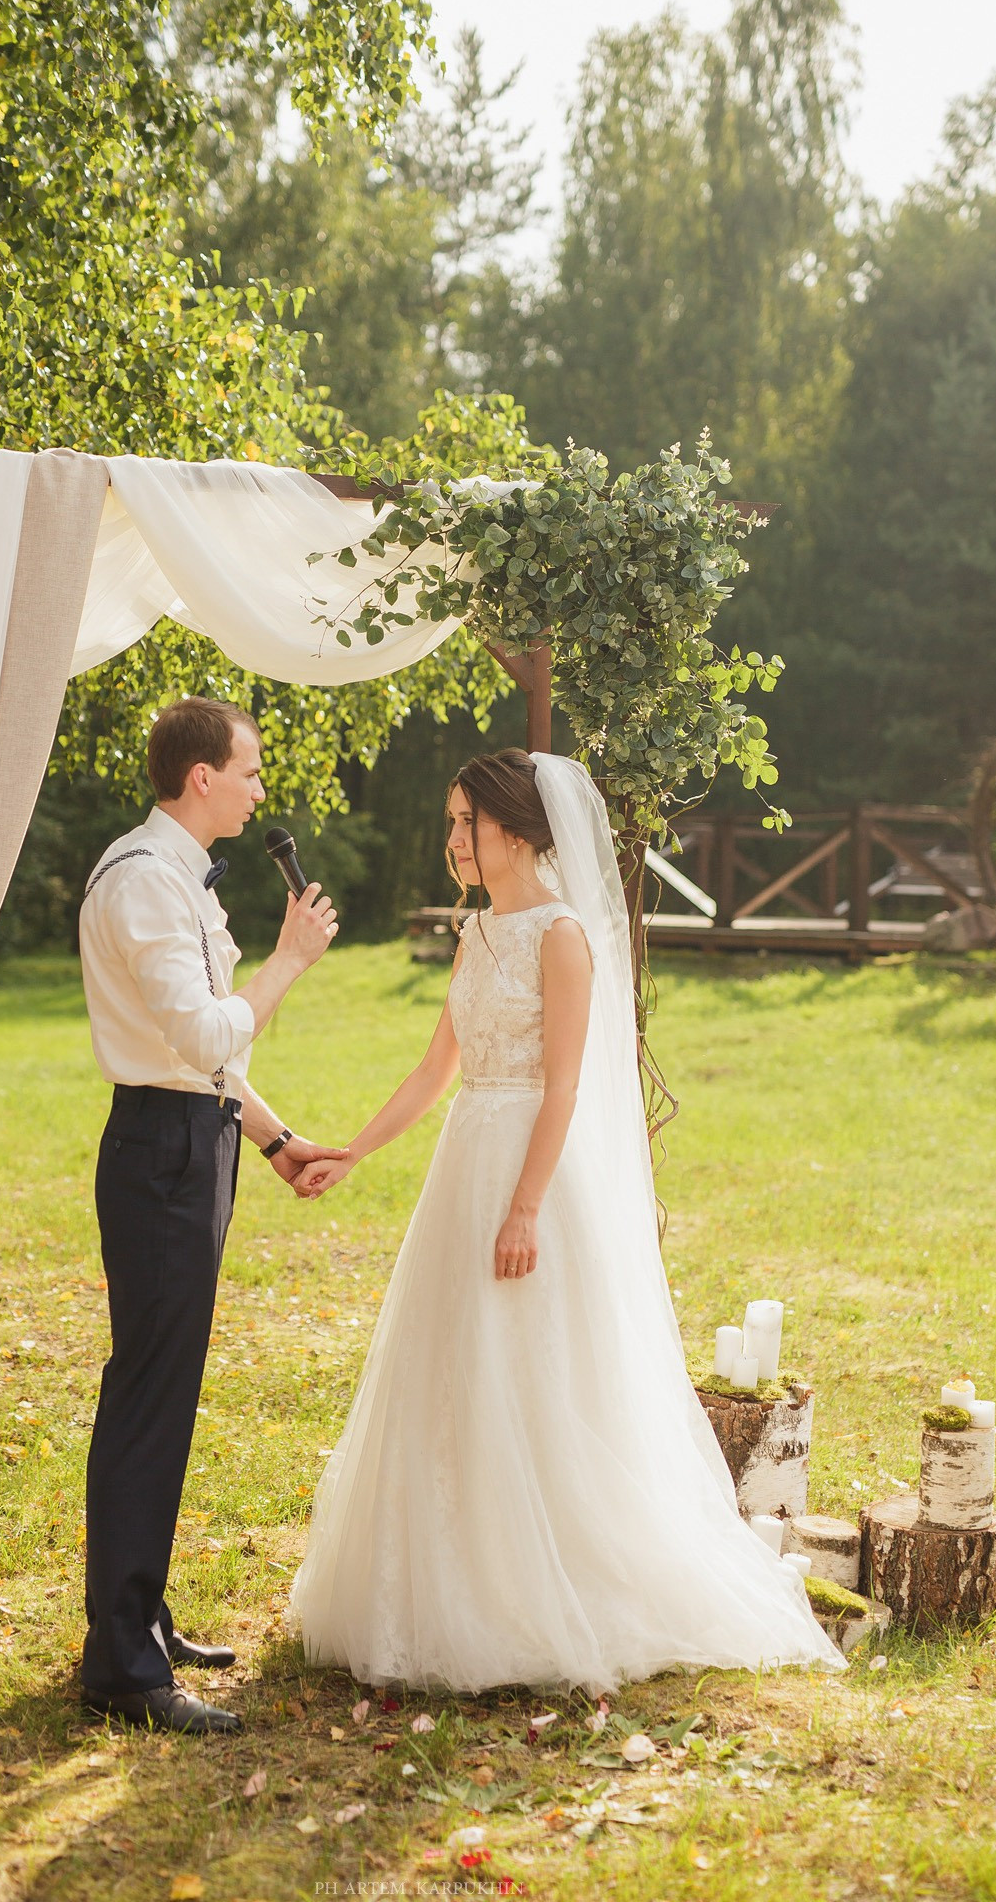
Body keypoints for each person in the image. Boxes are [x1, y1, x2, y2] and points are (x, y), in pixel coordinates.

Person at [288, 749, 841, 1692]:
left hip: (531, 1171)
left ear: (517, 830)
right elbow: (435, 1070)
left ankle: (552, 1580)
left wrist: (525, 1208)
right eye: (451, 822)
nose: (454, 839)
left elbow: (566, 1087)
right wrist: (354, 1150)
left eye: (467, 822)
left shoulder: (562, 937)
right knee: (457, 1362)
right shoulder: (476, 932)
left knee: (533, 1367)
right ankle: (453, 1574)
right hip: (465, 1162)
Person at [78, 696, 343, 1735]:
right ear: (202, 777)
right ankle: (123, 1667)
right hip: (163, 1154)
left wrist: (272, 1141)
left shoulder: (171, 874)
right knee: (150, 1396)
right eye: (250, 770)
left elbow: (201, 1060)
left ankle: (137, 1618)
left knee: (162, 1391)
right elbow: (198, 1039)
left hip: (192, 1138)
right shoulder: (146, 880)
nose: (258, 788)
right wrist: (289, 961)